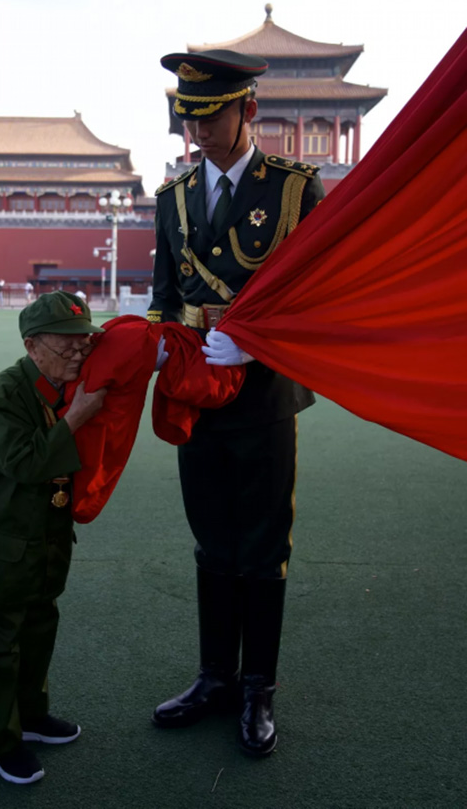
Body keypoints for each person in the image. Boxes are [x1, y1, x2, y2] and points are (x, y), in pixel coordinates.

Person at [147, 50, 325, 756]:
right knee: (211, 538)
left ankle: (259, 688)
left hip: (263, 392)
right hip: (196, 392)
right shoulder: (173, 197)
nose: (197, 133)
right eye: (188, 119)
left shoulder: (293, 189)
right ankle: (215, 676)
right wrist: (164, 343)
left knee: (261, 545)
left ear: (248, 109)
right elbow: (167, 295)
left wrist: (255, 344)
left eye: (210, 116)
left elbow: (314, 293)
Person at [0, 291, 107, 784]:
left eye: (84, 340)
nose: (79, 351)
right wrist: (79, 417)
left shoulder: (64, 385)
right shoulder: (4, 394)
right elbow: (25, 463)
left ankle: (30, 718)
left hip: (38, 542)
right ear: (33, 346)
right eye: (67, 343)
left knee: (35, 633)